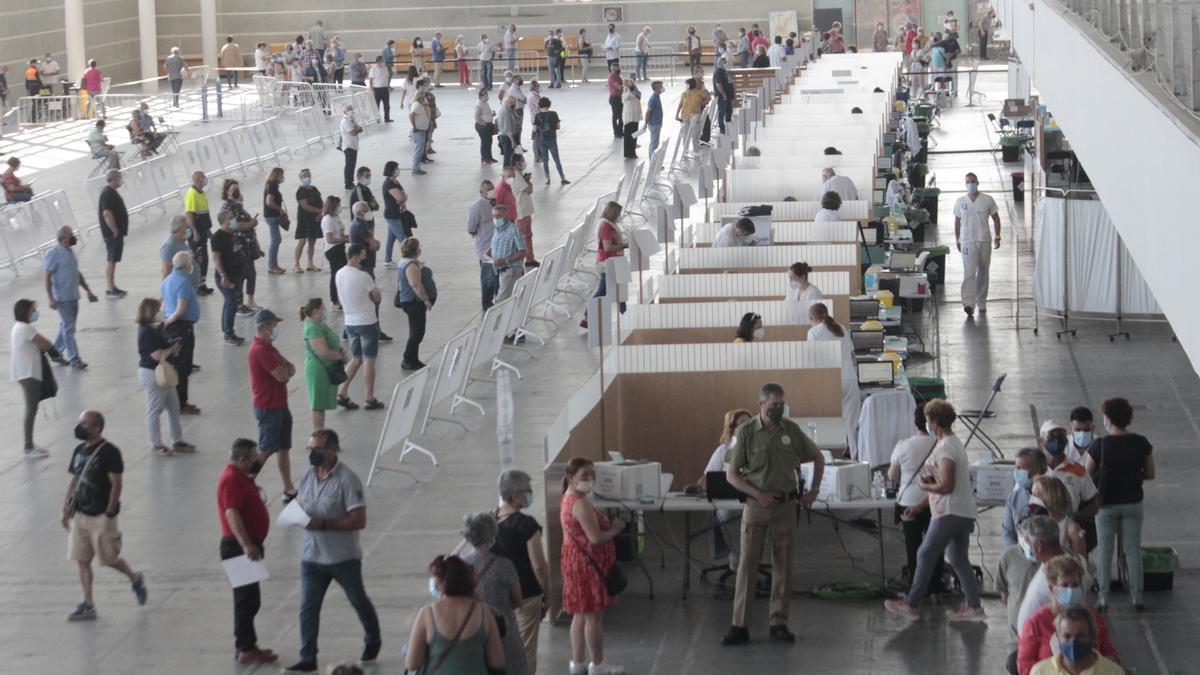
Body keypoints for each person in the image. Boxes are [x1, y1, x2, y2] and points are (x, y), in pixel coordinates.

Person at [720, 383, 822, 646]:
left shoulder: (791, 430)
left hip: (786, 507)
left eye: (781, 404)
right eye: (773, 405)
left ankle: (779, 622)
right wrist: (757, 495)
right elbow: (731, 475)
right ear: (761, 404)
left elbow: (817, 457)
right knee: (747, 565)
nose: (778, 409)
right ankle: (739, 625)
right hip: (755, 507)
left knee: (783, 566)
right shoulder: (745, 433)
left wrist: (813, 492)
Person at [287, 428, 382, 673]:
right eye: (310, 449)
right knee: (308, 607)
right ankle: (308, 657)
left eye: (317, 449)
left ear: (331, 450)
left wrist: (324, 524)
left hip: (342, 558)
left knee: (357, 599)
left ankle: (373, 638)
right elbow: (301, 504)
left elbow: (358, 520)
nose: (312, 453)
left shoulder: (347, 480)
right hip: (311, 556)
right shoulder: (307, 476)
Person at [884, 399, 985, 621]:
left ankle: (912, 604)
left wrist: (924, 485)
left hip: (950, 512)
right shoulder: (948, 443)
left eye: (929, 419)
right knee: (958, 559)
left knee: (925, 553)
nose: (926, 423)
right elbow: (943, 482)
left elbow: (947, 486)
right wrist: (920, 506)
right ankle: (975, 606)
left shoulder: (947, 447)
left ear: (934, 421)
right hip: (959, 511)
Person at [61, 410, 148, 621]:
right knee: (82, 560)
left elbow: (117, 483)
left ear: (97, 428)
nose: (80, 427)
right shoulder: (79, 450)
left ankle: (134, 577)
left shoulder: (110, 452)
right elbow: (74, 481)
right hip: (81, 514)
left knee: (109, 559)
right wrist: (66, 509)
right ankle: (89, 603)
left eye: (85, 424)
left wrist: (110, 510)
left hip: (101, 516)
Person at [1086, 396, 1153, 612]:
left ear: (1107, 419)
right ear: (1129, 418)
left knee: (1105, 550)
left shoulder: (1100, 445)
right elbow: (1150, 473)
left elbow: (1086, 475)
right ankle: (1137, 596)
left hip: (1105, 505)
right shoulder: (1142, 443)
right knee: (1132, 549)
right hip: (1133, 502)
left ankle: (1103, 597)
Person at [560, 457, 626, 674]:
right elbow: (596, 538)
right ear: (571, 477)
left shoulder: (568, 499)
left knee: (580, 615)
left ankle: (577, 663)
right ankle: (598, 665)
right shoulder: (580, 504)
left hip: (574, 563)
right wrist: (616, 529)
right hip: (588, 568)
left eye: (592, 474)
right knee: (593, 618)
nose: (589, 479)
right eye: (584, 475)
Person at [217, 438, 277, 664]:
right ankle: (245, 647)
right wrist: (246, 544)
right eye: (253, 459)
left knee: (250, 598)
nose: (256, 462)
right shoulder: (231, 479)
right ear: (242, 459)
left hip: (246, 545)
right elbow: (232, 513)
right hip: (238, 547)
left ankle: (247, 644)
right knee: (246, 599)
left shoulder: (240, 476)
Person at [404, 554, 505, 674]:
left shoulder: (427, 614)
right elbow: (497, 661)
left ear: (440, 583)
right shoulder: (484, 612)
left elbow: (412, 663)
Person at [1019, 558, 1120, 675]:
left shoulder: (1094, 619)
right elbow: (1025, 665)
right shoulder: (1035, 623)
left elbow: (1110, 653)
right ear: (1052, 589)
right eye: (1065, 585)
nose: (1070, 590)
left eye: (1075, 585)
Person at [493, 469, 551, 673]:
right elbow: (539, 565)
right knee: (526, 648)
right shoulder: (526, 525)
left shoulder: (490, 521)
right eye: (528, 490)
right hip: (526, 595)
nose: (530, 494)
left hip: (498, 596)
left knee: (500, 647)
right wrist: (548, 594)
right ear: (516, 494)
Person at [461, 513, 529, 675]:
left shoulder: (460, 566)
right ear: (493, 535)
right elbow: (518, 601)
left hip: (472, 635)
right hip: (504, 633)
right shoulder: (504, 566)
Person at [889, 406, 948, 591]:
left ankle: (916, 585)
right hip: (935, 500)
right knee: (935, 544)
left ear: (915, 422)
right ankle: (936, 583)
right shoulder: (942, 444)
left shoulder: (903, 445)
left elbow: (893, 476)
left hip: (909, 500)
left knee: (913, 546)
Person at [134, 298, 193, 455]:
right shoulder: (146, 332)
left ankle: (177, 439)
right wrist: (171, 350)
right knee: (155, 408)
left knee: (173, 407)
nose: (161, 312)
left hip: (163, 371)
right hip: (152, 373)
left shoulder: (156, 329)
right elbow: (156, 355)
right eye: (158, 309)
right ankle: (156, 442)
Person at [1015, 516, 1088, 634]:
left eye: (1027, 541)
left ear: (1038, 545)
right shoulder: (1050, 565)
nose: (1025, 546)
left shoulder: (1063, 574)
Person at [807, 302, 861, 459]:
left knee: (832, 420)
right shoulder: (841, 328)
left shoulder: (813, 332)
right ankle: (855, 455)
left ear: (812, 318)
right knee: (852, 421)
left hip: (829, 381)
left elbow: (812, 360)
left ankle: (832, 457)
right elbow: (852, 356)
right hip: (849, 378)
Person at [336, 245, 386, 410]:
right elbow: (377, 296)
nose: (364, 259)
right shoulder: (364, 276)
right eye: (363, 256)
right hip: (367, 321)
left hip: (350, 322)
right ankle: (370, 397)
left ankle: (343, 392)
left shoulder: (339, 273)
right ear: (355, 257)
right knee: (369, 359)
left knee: (356, 358)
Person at [43, 226, 97, 369]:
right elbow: (47, 277)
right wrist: (50, 298)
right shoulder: (53, 254)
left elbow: (76, 273)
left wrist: (87, 290)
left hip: (73, 296)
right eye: (70, 235)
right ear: (64, 238)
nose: (73, 237)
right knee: (69, 328)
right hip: (62, 298)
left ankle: (55, 351)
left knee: (66, 325)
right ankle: (75, 359)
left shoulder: (69, 251)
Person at [11, 299, 57, 458]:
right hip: (28, 373)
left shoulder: (19, 327)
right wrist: (52, 349)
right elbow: (45, 343)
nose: (35, 312)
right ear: (26, 311)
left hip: (27, 372)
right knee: (31, 409)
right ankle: (28, 446)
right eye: (33, 310)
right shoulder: (26, 328)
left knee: (32, 408)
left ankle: (29, 444)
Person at [300, 298, 354, 428]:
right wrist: (340, 357)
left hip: (326, 368)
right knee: (318, 406)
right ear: (315, 311)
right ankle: (318, 436)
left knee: (322, 405)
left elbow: (331, 340)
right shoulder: (312, 328)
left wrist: (340, 351)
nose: (325, 311)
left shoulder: (320, 324)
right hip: (318, 370)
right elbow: (323, 351)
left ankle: (321, 434)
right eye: (322, 308)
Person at [160, 248, 201, 416]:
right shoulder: (183, 282)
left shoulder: (168, 280)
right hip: (181, 327)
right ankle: (180, 403)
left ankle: (174, 401)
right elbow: (181, 309)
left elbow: (163, 304)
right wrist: (168, 322)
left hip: (172, 327)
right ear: (186, 265)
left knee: (175, 365)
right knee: (183, 367)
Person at [954, 172, 1001, 317]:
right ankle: (968, 303)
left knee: (983, 272)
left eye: (973, 181)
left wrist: (997, 236)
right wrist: (958, 239)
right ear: (965, 183)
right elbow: (957, 221)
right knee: (969, 272)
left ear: (978, 182)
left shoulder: (987, 200)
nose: (970, 184)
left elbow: (996, 218)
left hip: (984, 240)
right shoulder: (961, 201)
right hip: (968, 241)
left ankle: (981, 301)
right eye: (968, 182)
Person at [1028, 607, 1124, 675]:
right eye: (1067, 636)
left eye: (1081, 636)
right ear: (1057, 638)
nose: (1073, 642)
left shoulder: (1114, 672)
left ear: (1092, 637)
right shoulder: (1039, 672)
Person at [578, 201, 627, 329]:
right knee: (603, 290)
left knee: (618, 289)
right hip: (608, 263)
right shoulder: (606, 226)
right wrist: (623, 245)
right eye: (618, 213)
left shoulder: (607, 224)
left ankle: (625, 315)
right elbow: (607, 247)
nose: (619, 216)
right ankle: (587, 316)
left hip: (613, 262)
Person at [396, 237, 434, 370]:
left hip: (408, 300)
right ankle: (407, 359)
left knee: (415, 330)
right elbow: (415, 284)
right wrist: (426, 299)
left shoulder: (403, 262)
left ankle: (413, 359)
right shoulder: (411, 265)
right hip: (413, 302)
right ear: (416, 250)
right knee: (417, 332)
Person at [1004, 448, 1049, 547]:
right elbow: (1008, 532)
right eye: (1016, 468)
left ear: (1036, 471)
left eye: (1020, 468)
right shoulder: (1013, 498)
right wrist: (1014, 554)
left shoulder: (1053, 495)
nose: (1016, 472)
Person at [1032, 476, 1086, 556]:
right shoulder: (1034, 523)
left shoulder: (1071, 528)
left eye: (1036, 496)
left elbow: (1081, 561)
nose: (1032, 499)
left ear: (1050, 498)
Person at [96, 170, 129, 297]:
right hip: (112, 234)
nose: (120, 180)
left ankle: (112, 286)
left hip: (115, 233)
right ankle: (110, 288)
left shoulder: (110, 192)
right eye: (119, 178)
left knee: (113, 259)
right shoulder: (108, 193)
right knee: (111, 259)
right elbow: (106, 213)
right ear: (113, 178)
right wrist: (115, 229)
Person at [467, 181, 499, 311]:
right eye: (488, 190)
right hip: (485, 247)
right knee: (488, 277)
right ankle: (486, 303)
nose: (492, 191)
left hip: (497, 245)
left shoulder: (495, 202)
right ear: (482, 192)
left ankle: (498, 299)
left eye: (492, 188)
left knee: (497, 276)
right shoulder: (477, 206)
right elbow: (471, 227)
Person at [489, 204, 527, 306]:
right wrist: (490, 251)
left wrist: (505, 260)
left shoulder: (514, 230)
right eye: (494, 216)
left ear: (506, 216)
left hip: (511, 270)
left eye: (499, 216)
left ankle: (498, 321)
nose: (496, 219)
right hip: (500, 270)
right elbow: (498, 244)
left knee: (501, 301)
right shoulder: (497, 229)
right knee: (505, 298)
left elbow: (523, 252)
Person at [381, 162, 413, 267]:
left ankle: (387, 260)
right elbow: (400, 197)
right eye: (396, 168)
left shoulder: (395, 182)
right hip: (392, 215)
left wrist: (403, 197)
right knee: (402, 238)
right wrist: (402, 197)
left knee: (391, 238)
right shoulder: (389, 184)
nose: (398, 170)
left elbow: (403, 196)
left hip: (398, 213)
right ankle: (409, 261)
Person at [508, 154, 537, 265]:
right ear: (516, 163)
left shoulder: (518, 175)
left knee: (527, 236)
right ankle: (527, 259)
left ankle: (530, 258)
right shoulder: (517, 176)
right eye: (521, 161)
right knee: (524, 237)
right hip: (521, 212)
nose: (523, 163)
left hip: (524, 210)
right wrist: (528, 181)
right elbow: (529, 190)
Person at [320, 196, 348, 310]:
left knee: (343, 273)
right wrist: (344, 239)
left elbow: (339, 233)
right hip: (333, 250)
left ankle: (343, 297)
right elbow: (329, 239)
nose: (339, 208)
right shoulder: (328, 219)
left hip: (340, 247)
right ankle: (334, 301)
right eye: (338, 206)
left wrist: (345, 237)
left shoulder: (336, 217)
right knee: (335, 274)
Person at [533, 97, 569, 185]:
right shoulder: (553, 114)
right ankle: (562, 177)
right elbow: (558, 126)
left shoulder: (537, 115)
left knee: (545, 160)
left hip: (541, 139)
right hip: (552, 139)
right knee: (556, 159)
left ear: (540, 105)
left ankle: (547, 179)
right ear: (549, 104)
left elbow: (534, 129)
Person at [294, 169, 323, 274]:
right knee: (302, 241)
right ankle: (297, 264)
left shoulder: (314, 188)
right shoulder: (301, 191)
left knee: (312, 241)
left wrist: (322, 211)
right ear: (301, 178)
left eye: (309, 175)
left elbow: (320, 200)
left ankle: (310, 263)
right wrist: (318, 210)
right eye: (305, 176)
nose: (308, 177)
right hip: (304, 219)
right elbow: (305, 206)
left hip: (315, 219)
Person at [261, 167, 287, 275]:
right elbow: (269, 202)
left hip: (272, 216)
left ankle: (274, 264)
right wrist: (280, 210)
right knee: (275, 240)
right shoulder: (272, 186)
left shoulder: (272, 186)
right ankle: (272, 265)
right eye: (281, 175)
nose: (282, 177)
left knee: (277, 239)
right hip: (271, 216)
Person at [339, 104, 361, 190]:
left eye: (352, 109)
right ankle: (348, 183)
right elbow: (353, 132)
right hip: (348, 146)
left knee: (352, 164)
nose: (352, 111)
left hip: (354, 145)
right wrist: (356, 129)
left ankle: (350, 181)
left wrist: (357, 129)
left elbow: (360, 129)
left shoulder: (352, 120)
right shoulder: (345, 121)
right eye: (349, 110)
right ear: (345, 111)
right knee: (349, 165)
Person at [475, 88, 498, 164]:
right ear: (481, 96)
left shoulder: (485, 103)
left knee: (489, 142)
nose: (487, 97)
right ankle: (484, 158)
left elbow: (486, 113)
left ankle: (489, 157)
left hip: (488, 125)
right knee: (485, 142)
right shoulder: (479, 104)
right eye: (485, 95)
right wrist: (483, 124)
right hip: (483, 126)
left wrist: (492, 115)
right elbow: (477, 116)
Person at [621, 78, 642, 159]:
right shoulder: (625, 94)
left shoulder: (635, 92)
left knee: (634, 136)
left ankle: (633, 152)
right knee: (628, 137)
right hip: (628, 118)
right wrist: (628, 88)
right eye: (630, 84)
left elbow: (639, 95)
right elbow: (627, 97)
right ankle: (628, 153)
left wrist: (633, 88)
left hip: (635, 117)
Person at [712, 58, 734, 135]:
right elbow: (718, 84)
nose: (726, 63)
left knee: (729, 112)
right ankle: (722, 130)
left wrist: (731, 96)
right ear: (720, 62)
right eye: (724, 62)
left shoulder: (725, 71)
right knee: (722, 113)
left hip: (728, 96)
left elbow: (729, 82)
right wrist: (724, 94)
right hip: (722, 97)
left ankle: (728, 128)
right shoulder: (718, 72)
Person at [643, 80, 664, 157]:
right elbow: (648, 112)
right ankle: (653, 162)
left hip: (657, 123)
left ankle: (654, 161)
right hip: (654, 124)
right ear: (656, 88)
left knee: (655, 143)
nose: (662, 88)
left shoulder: (657, 97)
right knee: (654, 144)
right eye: (660, 86)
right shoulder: (653, 99)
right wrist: (646, 123)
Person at [368, 56, 392, 123]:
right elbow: (370, 80)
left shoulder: (385, 68)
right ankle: (377, 119)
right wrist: (372, 89)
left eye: (383, 61)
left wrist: (388, 86)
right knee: (376, 105)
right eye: (382, 61)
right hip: (377, 89)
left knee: (386, 105)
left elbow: (387, 77)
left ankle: (387, 118)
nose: (383, 62)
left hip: (385, 89)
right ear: (378, 61)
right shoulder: (373, 69)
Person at [607, 65, 624, 139]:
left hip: (620, 97)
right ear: (612, 69)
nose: (619, 70)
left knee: (621, 116)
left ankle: (620, 130)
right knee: (616, 116)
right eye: (617, 69)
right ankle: (616, 132)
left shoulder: (618, 76)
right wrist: (628, 84)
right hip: (615, 98)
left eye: (619, 68)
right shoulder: (612, 76)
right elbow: (619, 86)